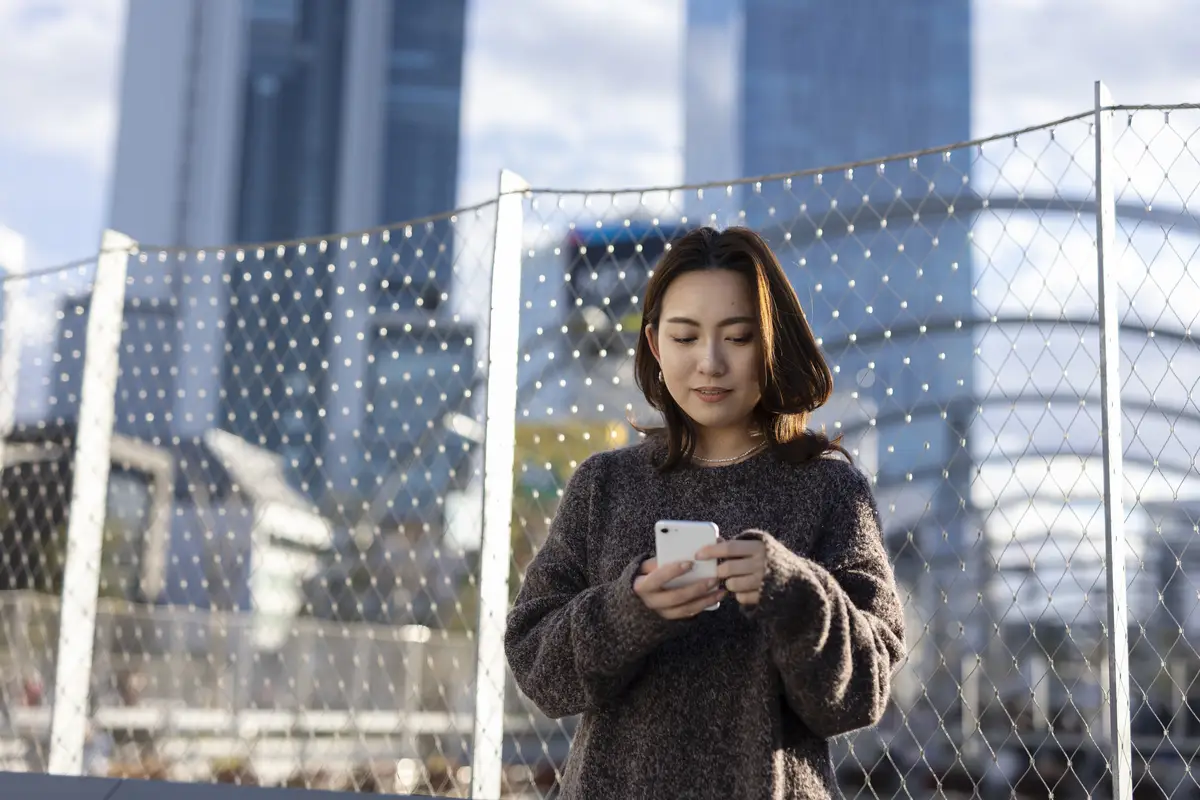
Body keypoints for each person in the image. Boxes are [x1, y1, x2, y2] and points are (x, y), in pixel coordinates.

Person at [505, 226, 907, 799]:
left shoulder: (829, 490)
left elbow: (865, 691)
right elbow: (536, 668)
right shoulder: (606, 484)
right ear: (654, 345)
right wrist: (628, 610)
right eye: (685, 336)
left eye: (738, 337)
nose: (710, 363)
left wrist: (795, 593)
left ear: (772, 342)